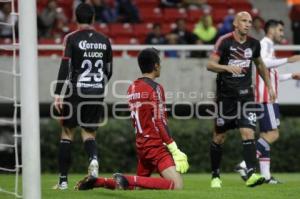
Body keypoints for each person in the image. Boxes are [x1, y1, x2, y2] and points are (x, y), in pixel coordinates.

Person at [75, 48, 189, 191]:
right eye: (160, 63)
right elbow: (160, 121)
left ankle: (100, 181)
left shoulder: (132, 88)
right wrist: (174, 148)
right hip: (155, 146)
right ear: (156, 66)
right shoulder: (156, 88)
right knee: (176, 185)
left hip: (142, 145)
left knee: (137, 187)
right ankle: (126, 178)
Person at [207, 11, 276, 188]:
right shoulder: (225, 41)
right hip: (225, 97)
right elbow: (210, 65)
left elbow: (260, 64)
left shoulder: (254, 44)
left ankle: (251, 174)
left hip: (246, 97)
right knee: (219, 137)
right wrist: (227, 67)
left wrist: (269, 85)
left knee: (248, 133)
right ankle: (215, 175)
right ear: (236, 24)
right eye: (244, 21)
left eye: (250, 21)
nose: (247, 24)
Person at [53, 3, 113, 190]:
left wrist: (58, 94)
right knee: (88, 133)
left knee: (67, 132)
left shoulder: (71, 38)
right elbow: (109, 70)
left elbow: (65, 66)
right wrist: (98, 85)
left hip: (76, 91)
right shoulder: (105, 40)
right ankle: (93, 160)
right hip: (96, 91)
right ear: (93, 18)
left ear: (75, 18)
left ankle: (63, 181)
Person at [235, 19, 300, 184]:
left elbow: (271, 74)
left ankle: (266, 176)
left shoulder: (269, 46)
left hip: (265, 97)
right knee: (273, 134)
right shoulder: (264, 43)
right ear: (271, 30)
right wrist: (288, 60)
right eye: (280, 30)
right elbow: (262, 64)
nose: (282, 34)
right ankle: (245, 164)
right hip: (265, 98)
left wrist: (291, 76)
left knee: (265, 136)